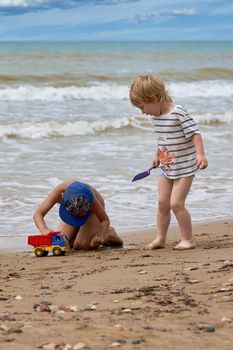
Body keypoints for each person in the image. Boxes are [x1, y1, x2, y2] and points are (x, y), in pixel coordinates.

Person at [130, 74, 208, 250]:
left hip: (185, 167)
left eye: (142, 107)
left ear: (155, 98)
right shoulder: (157, 117)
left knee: (176, 204)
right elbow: (163, 139)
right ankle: (160, 238)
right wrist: (157, 154)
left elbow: (195, 133)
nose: (143, 112)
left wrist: (200, 154)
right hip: (167, 167)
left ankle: (188, 239)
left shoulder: (178, 112)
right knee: (162, 203)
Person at [33, 179, 123, 250]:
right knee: (62, 241)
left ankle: (109, 234)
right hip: (73, 212)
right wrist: (44, 230)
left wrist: (101, 234)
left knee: (82, 245)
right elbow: (38, 214)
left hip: (91, 214)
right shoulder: (60, 191)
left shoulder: (92, 200)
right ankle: (79, 234)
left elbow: (104, 220)